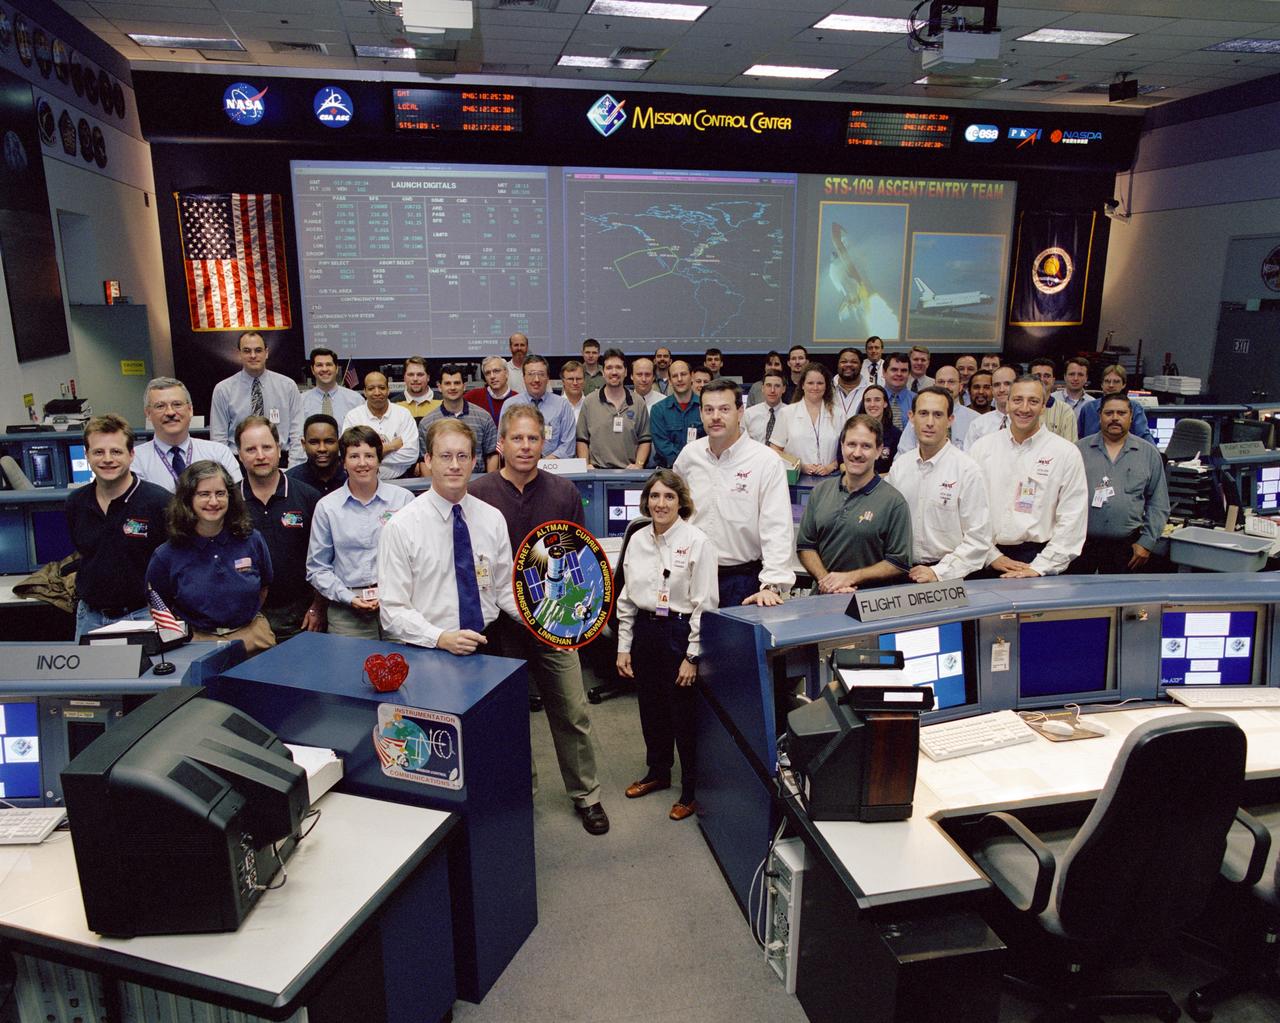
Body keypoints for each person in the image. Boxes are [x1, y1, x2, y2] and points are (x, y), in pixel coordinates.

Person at [470, 406, 611, 836]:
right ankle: (520, 796)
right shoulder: (478, 493)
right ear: (502, 443)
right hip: (499, 627)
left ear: (543, 443)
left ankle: (587, 795)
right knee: (510, 719)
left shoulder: (564, 492)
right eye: (517, 439)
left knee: (572, 710)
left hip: (554, 623)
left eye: (533, 439)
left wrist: (579, 619)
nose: (525, 447)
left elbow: (579, 559)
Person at [616, 469, 718, 822]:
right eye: (655, 496)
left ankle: (690, 790)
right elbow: (627, 597)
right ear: (647, 500)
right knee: (651, 709)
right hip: (645, 631)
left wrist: (692, 656)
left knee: (683, 716)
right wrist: (623, 646)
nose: (661, 503)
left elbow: (705, 605)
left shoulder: (696, 541)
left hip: (678, 634)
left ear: (681, 502)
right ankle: (658, 772)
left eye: (669, 497)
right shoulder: (638, 538)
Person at [673, 378, 794, 607]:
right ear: (700, 413)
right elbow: (675, 515)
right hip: (691, 575)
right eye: (709, 409)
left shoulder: (765, 461)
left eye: (724, 409)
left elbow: (776, 527)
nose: (716, 416)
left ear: (740, 411)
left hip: (742, 581)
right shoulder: (689, 456)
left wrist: (771, 585)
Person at [146, 460, 275, 654]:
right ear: (188, 499)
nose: (213, 502)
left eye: (220, 493)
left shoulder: (252, 540)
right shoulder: (167, 555)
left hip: (252, 636)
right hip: (196, 643)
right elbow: (158, 604)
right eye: (204, 494)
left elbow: (264, 587)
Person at [968, 376, 1088, 577]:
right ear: (1007, 403)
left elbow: (1072, 520)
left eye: (1033, 401)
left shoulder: (1065, 453)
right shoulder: (982, 448)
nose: (1024, 408)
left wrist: (1039, 567)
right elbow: (969, 511)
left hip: (1038, 561)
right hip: (984, 559)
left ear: (1043, 406)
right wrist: (991, 556)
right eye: (1017, 400)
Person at [65, 414, 171, 639]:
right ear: (87, 455)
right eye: (98, 452)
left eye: (116, 451)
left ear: (132, 454)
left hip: (143, 616)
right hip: (90, 618)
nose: (107, 459)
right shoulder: (76, 502)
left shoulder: (159, 502)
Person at [306, 426, 414, 638]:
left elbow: (417, 557)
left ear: (379, 459)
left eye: (369, 456)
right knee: (351, 670)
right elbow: (317, 568)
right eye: (354, 456)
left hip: (398, 604)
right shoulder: (327, 507)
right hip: (347, 610)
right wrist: (348, 597)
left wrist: (389, 594)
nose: (362, 463)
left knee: (404, 667)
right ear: (343, 462)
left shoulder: (404, 500)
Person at [796, 414, 912, 593]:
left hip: (870, 606)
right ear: (842, 446)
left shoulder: (893, 502)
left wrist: (850, 578)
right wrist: (827, 581)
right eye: (851, 444)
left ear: (879, 450)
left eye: (866, 446)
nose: (857, 453)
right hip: (822, 600)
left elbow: (898, 562)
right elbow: (805, 546)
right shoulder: (820, 492)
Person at [888, 389, 992, 582]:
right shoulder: (900, 467)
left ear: (950, 419)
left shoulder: (967, 470)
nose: (929, 422)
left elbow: (978, 539)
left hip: (950, 575)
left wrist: (939, 572)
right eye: (923, 413)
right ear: (911, 417)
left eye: (938, 415)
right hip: (903, 572)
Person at [236, 415, 323, 640]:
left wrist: (318, 606)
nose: (261, 456)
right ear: (239, 453)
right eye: (251, 449)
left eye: (267, 447)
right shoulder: (228, 502)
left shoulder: (308, 497)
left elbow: (326, 559)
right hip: (246, 620)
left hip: (302, 618)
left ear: (279, 447)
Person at [1071, 394, 1170, 574]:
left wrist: (1146, 542)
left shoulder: (1148, 454)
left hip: (1127, 548)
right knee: (1077, 599)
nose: (1115, 418)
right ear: (1099, 415)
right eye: (1109, 413)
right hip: (1081, 546)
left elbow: (1159, 504)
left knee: (1121, 600)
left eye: (1121, 413)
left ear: (1131, 417)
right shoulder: (1078, 450)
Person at [209, 331, 303, 466]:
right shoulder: (223, 390)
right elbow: (218, 439)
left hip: (282, 461)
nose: (253, 356)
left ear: (267, 353)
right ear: (239, 354)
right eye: (247, 351)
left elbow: (297, 433)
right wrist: (229, 472)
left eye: (258, 350)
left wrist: (294, 468)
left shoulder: (288, 386)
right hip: (238, 464)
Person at [132, 377, 242, 492]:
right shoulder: (135, 460)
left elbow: (235, 499)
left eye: (177, 404)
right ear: (148, 414)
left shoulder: (219, 453)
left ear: (190, 410)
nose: (170, 412)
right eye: (160, 406)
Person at [576, 348, 651, 468]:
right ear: (603, 372)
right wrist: (585, 465)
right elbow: (582, 440)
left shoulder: (638, 402)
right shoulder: (589, 402)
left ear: (626, 372)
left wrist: (639, 464)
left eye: (619, 367)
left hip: (629, 474)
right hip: (597, 474)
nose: (614, 372)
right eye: (609, 368)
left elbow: (645, 439)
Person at [419, 363, 499, 473]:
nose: (452, 387)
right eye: (447, 383)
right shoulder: (427, 423)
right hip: (442, 483)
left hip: (477, 482)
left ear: (464, 386)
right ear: (439, 386)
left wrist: (488, 486)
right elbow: (424, 460)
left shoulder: (484, 417)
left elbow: (492, 455)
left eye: (457, 383)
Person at [341, 370, 420, 479]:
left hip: (401, 480)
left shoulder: (403, 414)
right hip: (363, 481)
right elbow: (351, 455)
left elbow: (411, 455)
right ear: (364, 391)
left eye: (382, 388)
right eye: (371, 388)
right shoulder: (353, 417)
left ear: (388, 390)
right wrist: (391, 447)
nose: (377, 392)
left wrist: (369, 455)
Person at [769, 362, 840, 476]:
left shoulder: (838, 414)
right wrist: (799, 465)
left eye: (820, 383)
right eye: (810, 383)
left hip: (830, 478)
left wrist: (830, 467)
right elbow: (774, 449)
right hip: (796, 479)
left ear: (826, 386)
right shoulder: (787, 413)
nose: (815, 387)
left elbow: (846, 449)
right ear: (802, 385)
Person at [505, 354, 577, 458]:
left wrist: (545, 463)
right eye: (531, 374)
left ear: (548, 378)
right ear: (523, 378)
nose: (536, 380)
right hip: (520, 466)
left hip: (554, 468)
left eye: (541, 374)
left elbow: (568, 445)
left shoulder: (562, 405)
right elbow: (504, 442)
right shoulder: (510, 405)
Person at [896, 365, 979, 453]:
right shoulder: (920, 417)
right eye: (941, 382)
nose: (946, 386)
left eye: (951, 382)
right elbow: (903, 452)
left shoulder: (975, 419)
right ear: (934, 385)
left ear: (960, 387)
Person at [1077, 363, 1155, 444]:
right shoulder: (1088, 408)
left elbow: (1143, 436)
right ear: (1102, 384)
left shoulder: (1134, 407)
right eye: (1107, 381)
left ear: (1123, 384)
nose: (1111, 385)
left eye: (1116, 381)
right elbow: (1079, 437)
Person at [649, 360, 703, 467]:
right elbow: (662, 445)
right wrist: (685, 464)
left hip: (700, 468)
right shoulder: (658, 410)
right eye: (674, 376)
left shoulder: (705, 407)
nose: (679, 379)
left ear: (692, 376)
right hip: (668, 472)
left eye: (683, 374)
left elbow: (710, 441)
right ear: (669, 381)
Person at [288, 414, 347, 497]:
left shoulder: (352, 476)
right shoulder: (290, 481)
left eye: (329, 441)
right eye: (314, 442)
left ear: (339, 443)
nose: (322, 449)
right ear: (304, 444)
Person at [302, 347, 362, 423]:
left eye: (329, 364)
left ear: (336, 368)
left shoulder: (356, 400)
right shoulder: (301, 402)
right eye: (319, 365)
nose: (324, 369)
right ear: (312, 370)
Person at [1029, 358, 1078, 442]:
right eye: (1037, 376)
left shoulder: (1065, 411)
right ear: (1029, 379)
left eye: (1047, 376)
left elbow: (1071, 446)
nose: (1042, 379)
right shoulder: (1020, 408)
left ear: (1053, 380)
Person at [856, 385, 900, 474]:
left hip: (885, 483)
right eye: (868, 400)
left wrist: (872, 481)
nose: (872, 404)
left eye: (877, 400)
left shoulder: (896, 434)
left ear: (885, 403)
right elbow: (842, 462)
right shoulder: (852, 431)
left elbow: (897, 469)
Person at [967, 365, 1017, 445]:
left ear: (1017, 386)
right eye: (997, 385)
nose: (1001, 389)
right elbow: (969, 456)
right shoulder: (978, 425)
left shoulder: (1026, 422)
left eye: (1007, 384)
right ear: (992, 390)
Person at [465, 356, 520, 425]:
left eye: (496, 371)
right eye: (488, 373)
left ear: (506, 373)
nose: (492, 376)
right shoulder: (473, 396)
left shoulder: (518, 399)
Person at [743, 368, 786, 446]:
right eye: (768, 385)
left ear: (783, 389)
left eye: (777, 386)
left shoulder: (792, 414)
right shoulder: (749, 414)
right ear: (762, 388)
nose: (772, 390)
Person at [881, 352, 914, 430]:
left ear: (909, 374)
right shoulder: (872, 399)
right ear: (884, 372)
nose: (899, 374)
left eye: (903, 370)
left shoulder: (918, 400)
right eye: (894, 370)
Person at [832, 347, 866, 423]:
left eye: (854, 362)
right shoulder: (826, 388)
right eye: (844, 361)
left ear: (861, 365)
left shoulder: (870, 389)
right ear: (837, 364)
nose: (848, 365)